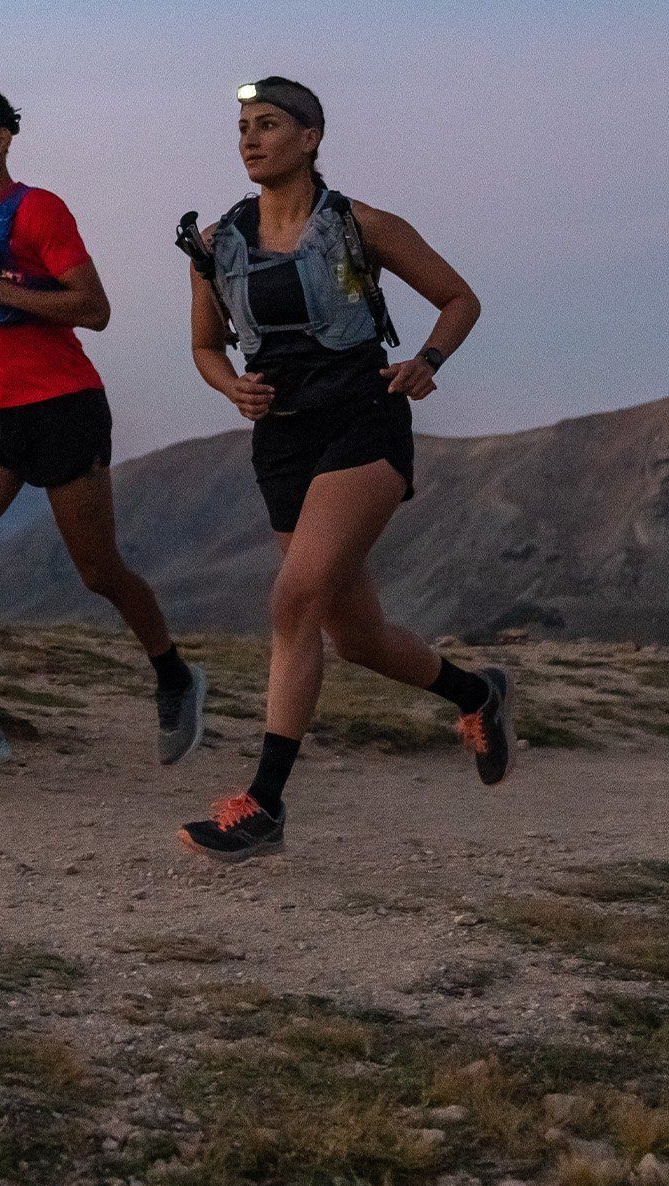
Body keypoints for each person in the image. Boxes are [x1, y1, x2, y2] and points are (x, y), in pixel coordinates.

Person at [177, 77, 516, 860]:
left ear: (311, 136)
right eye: (241, 128)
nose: (250, 140)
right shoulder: (216, 242)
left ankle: (263, 806)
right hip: (282, 441)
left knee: (294, 596)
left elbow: (459, 297)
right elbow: (204, 344)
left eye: (267, 124)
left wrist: (429, 358)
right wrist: (232, 386)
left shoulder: (363, 225)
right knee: (355, 634)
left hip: (362, 422)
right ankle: (478, 693)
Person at [0, 88, 206, 774]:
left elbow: (93, 309)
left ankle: (174, 677)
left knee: (98, 571)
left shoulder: (39, 210)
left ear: (3, 140)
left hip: (64, 409)